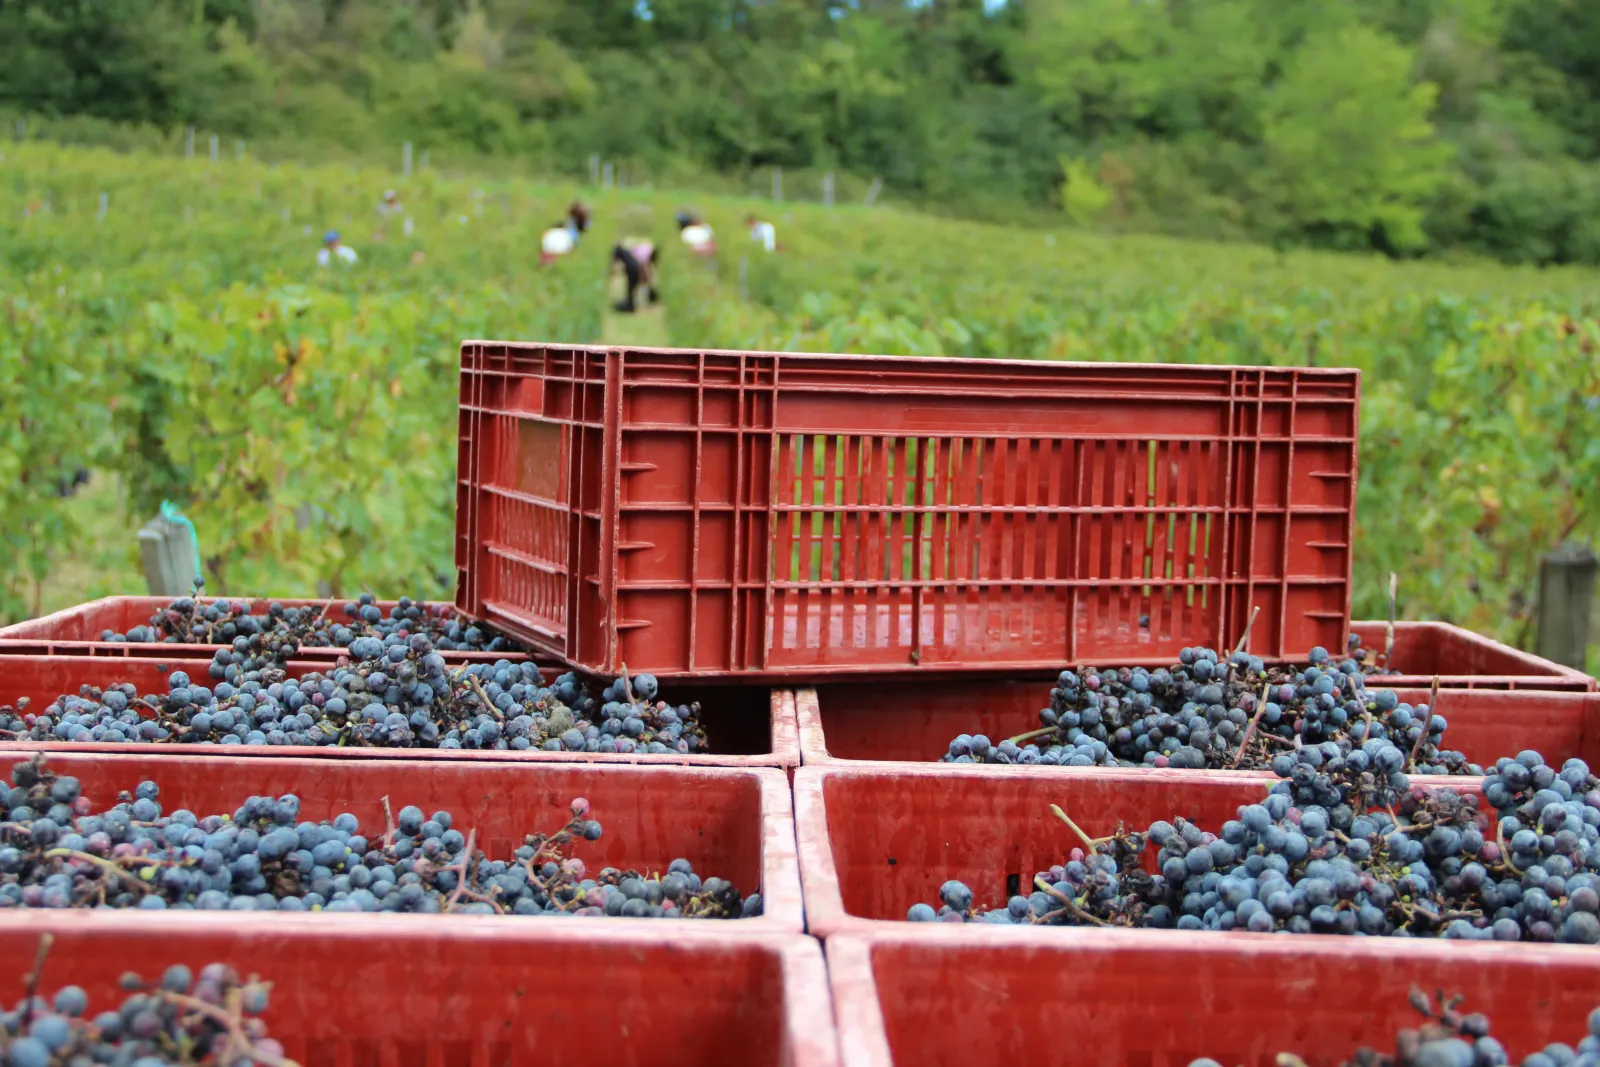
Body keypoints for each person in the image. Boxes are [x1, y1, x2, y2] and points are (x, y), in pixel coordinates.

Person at [611, 237, 658, 313]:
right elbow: (644, 270)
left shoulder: (642, 253)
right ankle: (630, 305)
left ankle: (630, 305)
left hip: (633, 267)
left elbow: (644, 270)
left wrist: (645, 284)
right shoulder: (646, 250)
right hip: (634, 267)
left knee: (631, 288)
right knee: (632, 288)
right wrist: (646, 284)